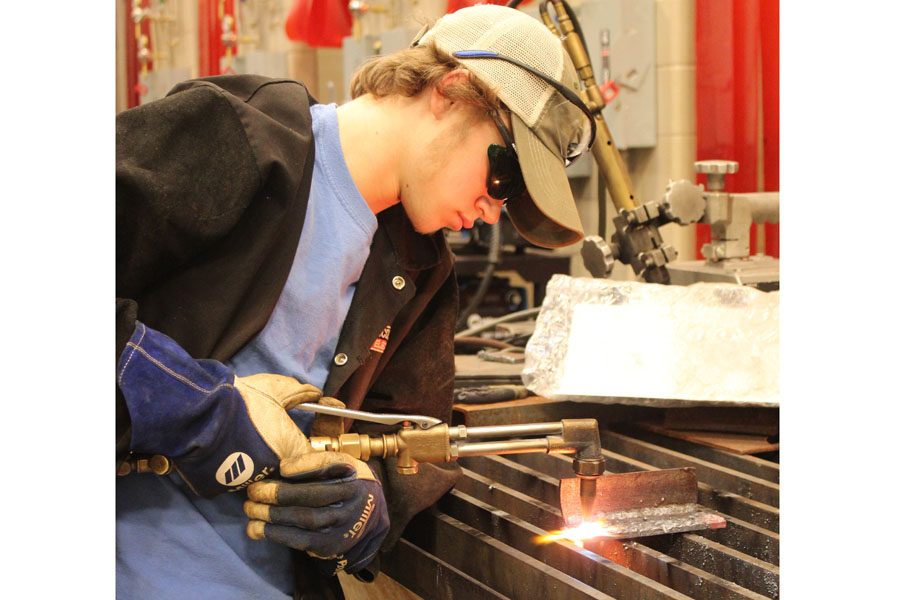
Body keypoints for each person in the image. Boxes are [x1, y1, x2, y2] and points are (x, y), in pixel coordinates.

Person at [115, 4, 595, 599]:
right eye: (505, 177)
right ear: (452, 90)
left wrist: (368, 505)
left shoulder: (419, 267)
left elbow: (416, 436)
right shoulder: (234, 138)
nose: (493, 212)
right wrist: (196, 407)